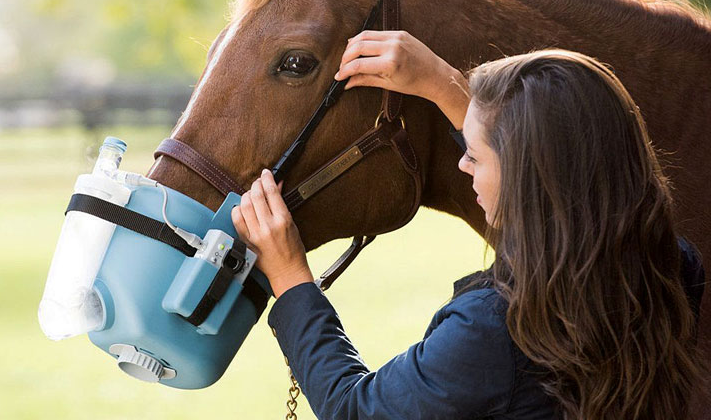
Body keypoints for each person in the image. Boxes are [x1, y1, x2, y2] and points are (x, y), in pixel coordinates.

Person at [231, 30, 705, 420]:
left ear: (527, 176)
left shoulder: (496, 330)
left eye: (474, 156)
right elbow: (558, 191)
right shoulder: (672, 265)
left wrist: (292, 278)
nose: (463, 166)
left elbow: (356, 410)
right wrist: (441, 83)